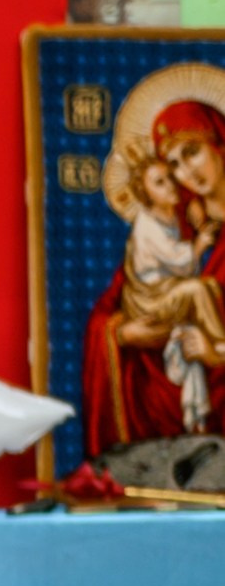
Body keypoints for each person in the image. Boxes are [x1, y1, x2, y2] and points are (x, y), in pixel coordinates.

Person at [85, 98, 225, 454]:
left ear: (218, 143)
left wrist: (215, 353)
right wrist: (125, 334)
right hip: (163, 424)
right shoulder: (174, 228)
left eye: (192, 152)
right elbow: (110, 316)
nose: (185, 173)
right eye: (173, 165)